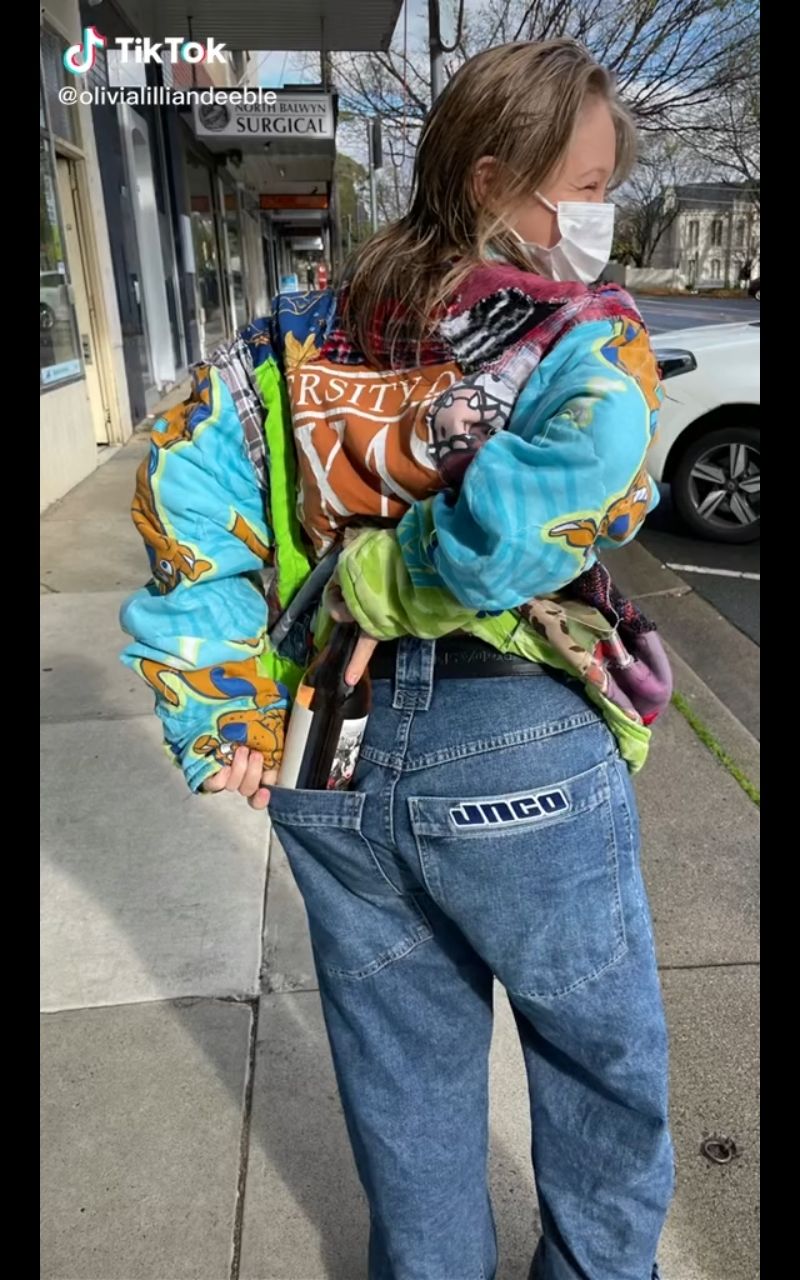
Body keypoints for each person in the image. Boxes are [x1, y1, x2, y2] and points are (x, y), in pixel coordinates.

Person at [121, 39, 673, 1280]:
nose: (597, 216)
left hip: (328, 739)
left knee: (401, 1079)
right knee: (598, 1064)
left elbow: (182, 495)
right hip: (514, 738)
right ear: (490, 178)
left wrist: (220, 709)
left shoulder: (291, 335)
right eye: (584, 188)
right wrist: (397, 576)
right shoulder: (575, 329)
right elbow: (573, 493)